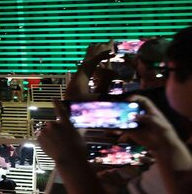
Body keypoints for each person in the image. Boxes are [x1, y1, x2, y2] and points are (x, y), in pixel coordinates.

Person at [40, 26, 192, 193]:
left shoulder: (157, 98)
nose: (163, 79)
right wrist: (164, 146)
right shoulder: (172, 144)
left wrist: (67, 158)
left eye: (168, 71)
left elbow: (75, 100)